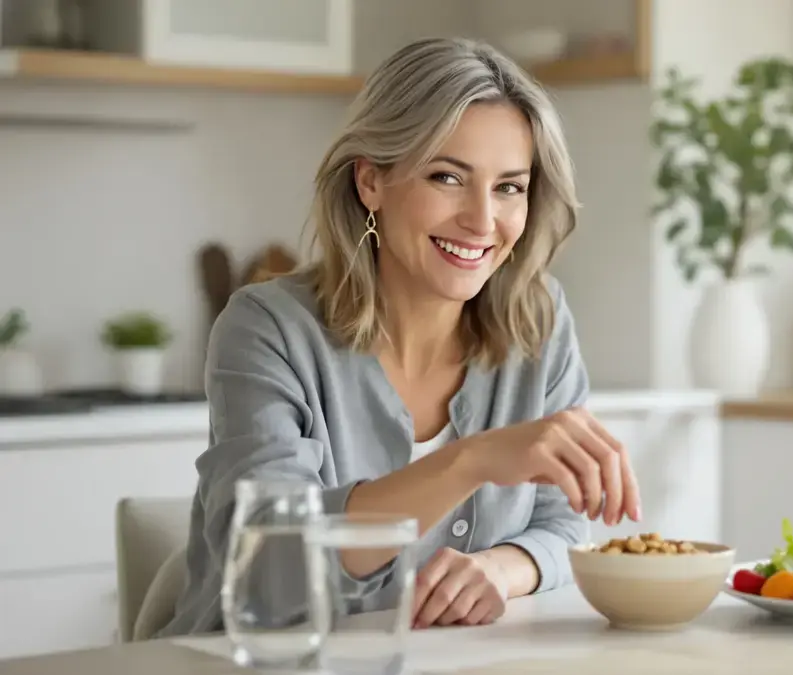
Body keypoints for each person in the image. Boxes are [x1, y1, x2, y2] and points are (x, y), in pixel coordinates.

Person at [158, 37, 641, 637]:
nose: (483, 221)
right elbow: (270, 567)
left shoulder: (537, 321)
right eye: (447, 176)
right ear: (370, 182)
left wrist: (501, 568)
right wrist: (473, 460)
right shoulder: (268, 328)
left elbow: (563, 527)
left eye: (509, 187)